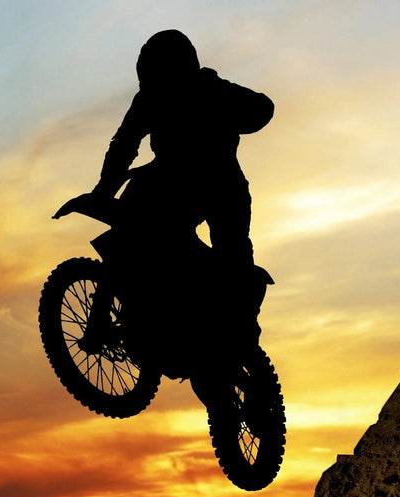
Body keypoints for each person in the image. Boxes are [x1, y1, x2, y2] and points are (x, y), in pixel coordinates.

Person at [82, 29, 274, 374]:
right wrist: (103, 191)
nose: (152, 81)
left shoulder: (207, 89)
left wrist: (226, 105)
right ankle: (162, 308)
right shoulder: (152, 98)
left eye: (155, 71)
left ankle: (244, 342)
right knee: (137, 209)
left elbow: (262, 108)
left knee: (236, 264)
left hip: (217, 185)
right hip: (173, 183)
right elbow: (124, 144)